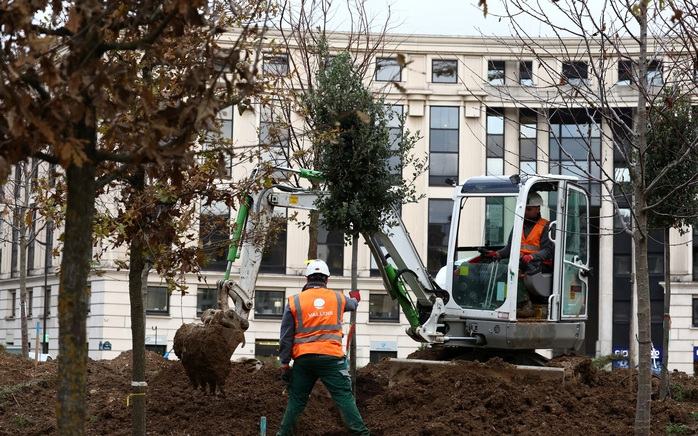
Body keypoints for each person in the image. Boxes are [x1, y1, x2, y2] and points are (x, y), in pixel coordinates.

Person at [277, 259, 369, 436]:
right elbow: (353, 304)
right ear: (327, 279)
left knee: (296, 401)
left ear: (307, 278)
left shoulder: (294, 301)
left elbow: (286, 335)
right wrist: (356, 297)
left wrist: (284, 363)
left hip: (304, 360)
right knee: (343, 397)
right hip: (331, 359)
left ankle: (283, 434)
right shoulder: (337, 298)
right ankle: (362, 434)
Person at [486, 192, 553, 316]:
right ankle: (499, 301)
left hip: (538, 264)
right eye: (525, 209)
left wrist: (533, 256)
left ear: (538, 209)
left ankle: (524, 303)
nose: (526, 212)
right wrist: (498, 254)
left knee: (511, 270)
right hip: (520, 261)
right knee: (498, 269)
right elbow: (510, 247)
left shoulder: (545, 226)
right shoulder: (519, 224)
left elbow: (548, 251)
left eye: (529, 209)